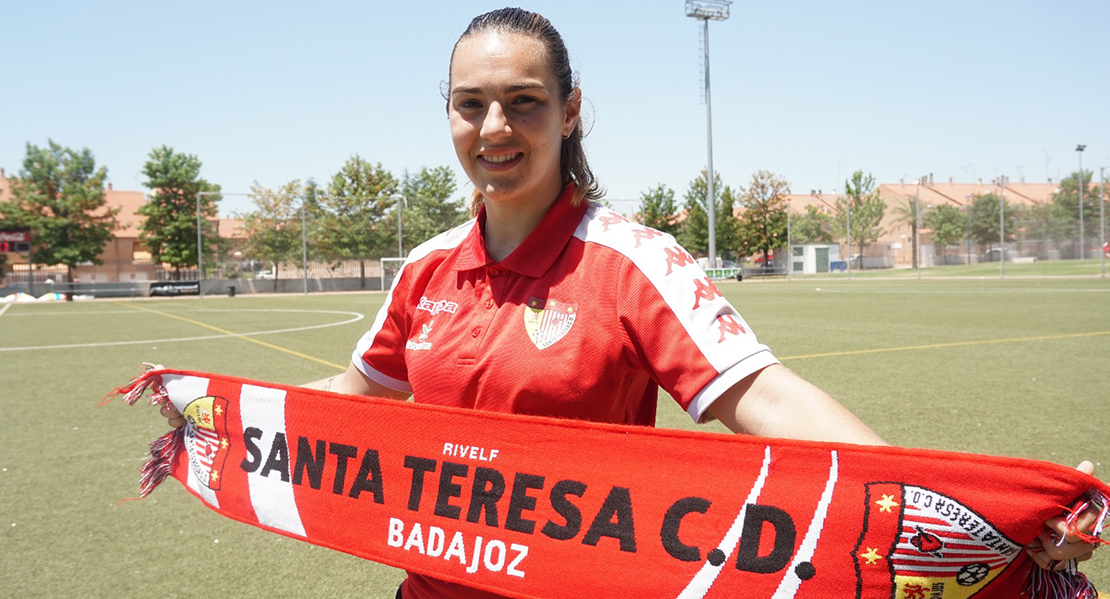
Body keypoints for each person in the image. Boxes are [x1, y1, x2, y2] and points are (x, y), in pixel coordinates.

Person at [161, 7, 1101, 599]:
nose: (495, 128)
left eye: (524, 102)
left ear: (570, 110)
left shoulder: (630, 260)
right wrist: (216, 418)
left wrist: (956, 509)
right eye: (471, 104)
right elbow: (354, 399)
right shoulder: (425, 268)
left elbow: (765, 397)